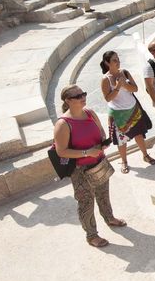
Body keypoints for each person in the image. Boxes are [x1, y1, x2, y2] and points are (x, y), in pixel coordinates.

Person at [53, 85, 126, 247]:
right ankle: (91, 235)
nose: (82, 97)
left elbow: (101, 132)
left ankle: (109, 218)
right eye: (78, 96)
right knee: (86, 202)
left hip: (98, 162)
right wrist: (87, 152)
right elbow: (61, 152)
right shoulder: (63, 124)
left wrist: (102, 143)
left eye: (83, 93)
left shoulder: (90, 113)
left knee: (103, 193)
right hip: (80, 170)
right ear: (68, 100)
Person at [100, 51, 155, 169]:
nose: (118, 62)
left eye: (118, 59)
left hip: (133, 110)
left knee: (139, 134)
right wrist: (118, 87)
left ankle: (145, 155)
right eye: (114, 60)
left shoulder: (124, 72)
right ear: (107, 63)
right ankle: (124, 162)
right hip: (118, 115)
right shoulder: (105, 79)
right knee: (121, 140)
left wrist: (124, 84)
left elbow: (135, 89)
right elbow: (108, 98)